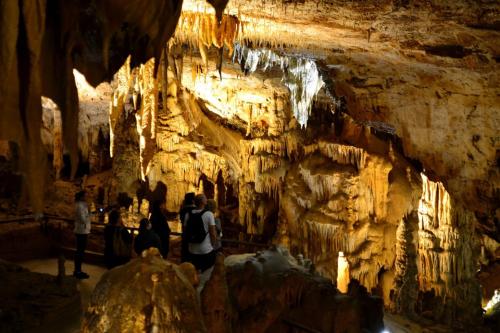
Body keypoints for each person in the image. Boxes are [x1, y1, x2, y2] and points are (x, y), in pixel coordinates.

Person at [184, 194, 217, 272]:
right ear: (203, 202)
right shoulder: (209, 214)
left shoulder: (188, 214)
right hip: (205, 250)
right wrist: (213, 245)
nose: (207, 200)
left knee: (194, 272)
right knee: (207, 274)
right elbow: (213, 233)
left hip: (192, 249)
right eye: (205, 198)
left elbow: (185, 231)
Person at [73, 191, 91, 279]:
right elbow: (83, 219)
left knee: (80, 251)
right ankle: (77, 271)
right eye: (85, 195)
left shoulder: (82, 205)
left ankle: (78, 270)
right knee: (80, 252)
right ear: (81, 197)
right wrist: (89, 216)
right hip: (81, 231)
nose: (86, 197)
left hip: (83, 230)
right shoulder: (80, 206)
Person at [179, 192, 196, 262]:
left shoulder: (183, 210)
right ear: (193, 200)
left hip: (185, 235)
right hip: (193, 235)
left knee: (185, 253)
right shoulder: (195, 210)